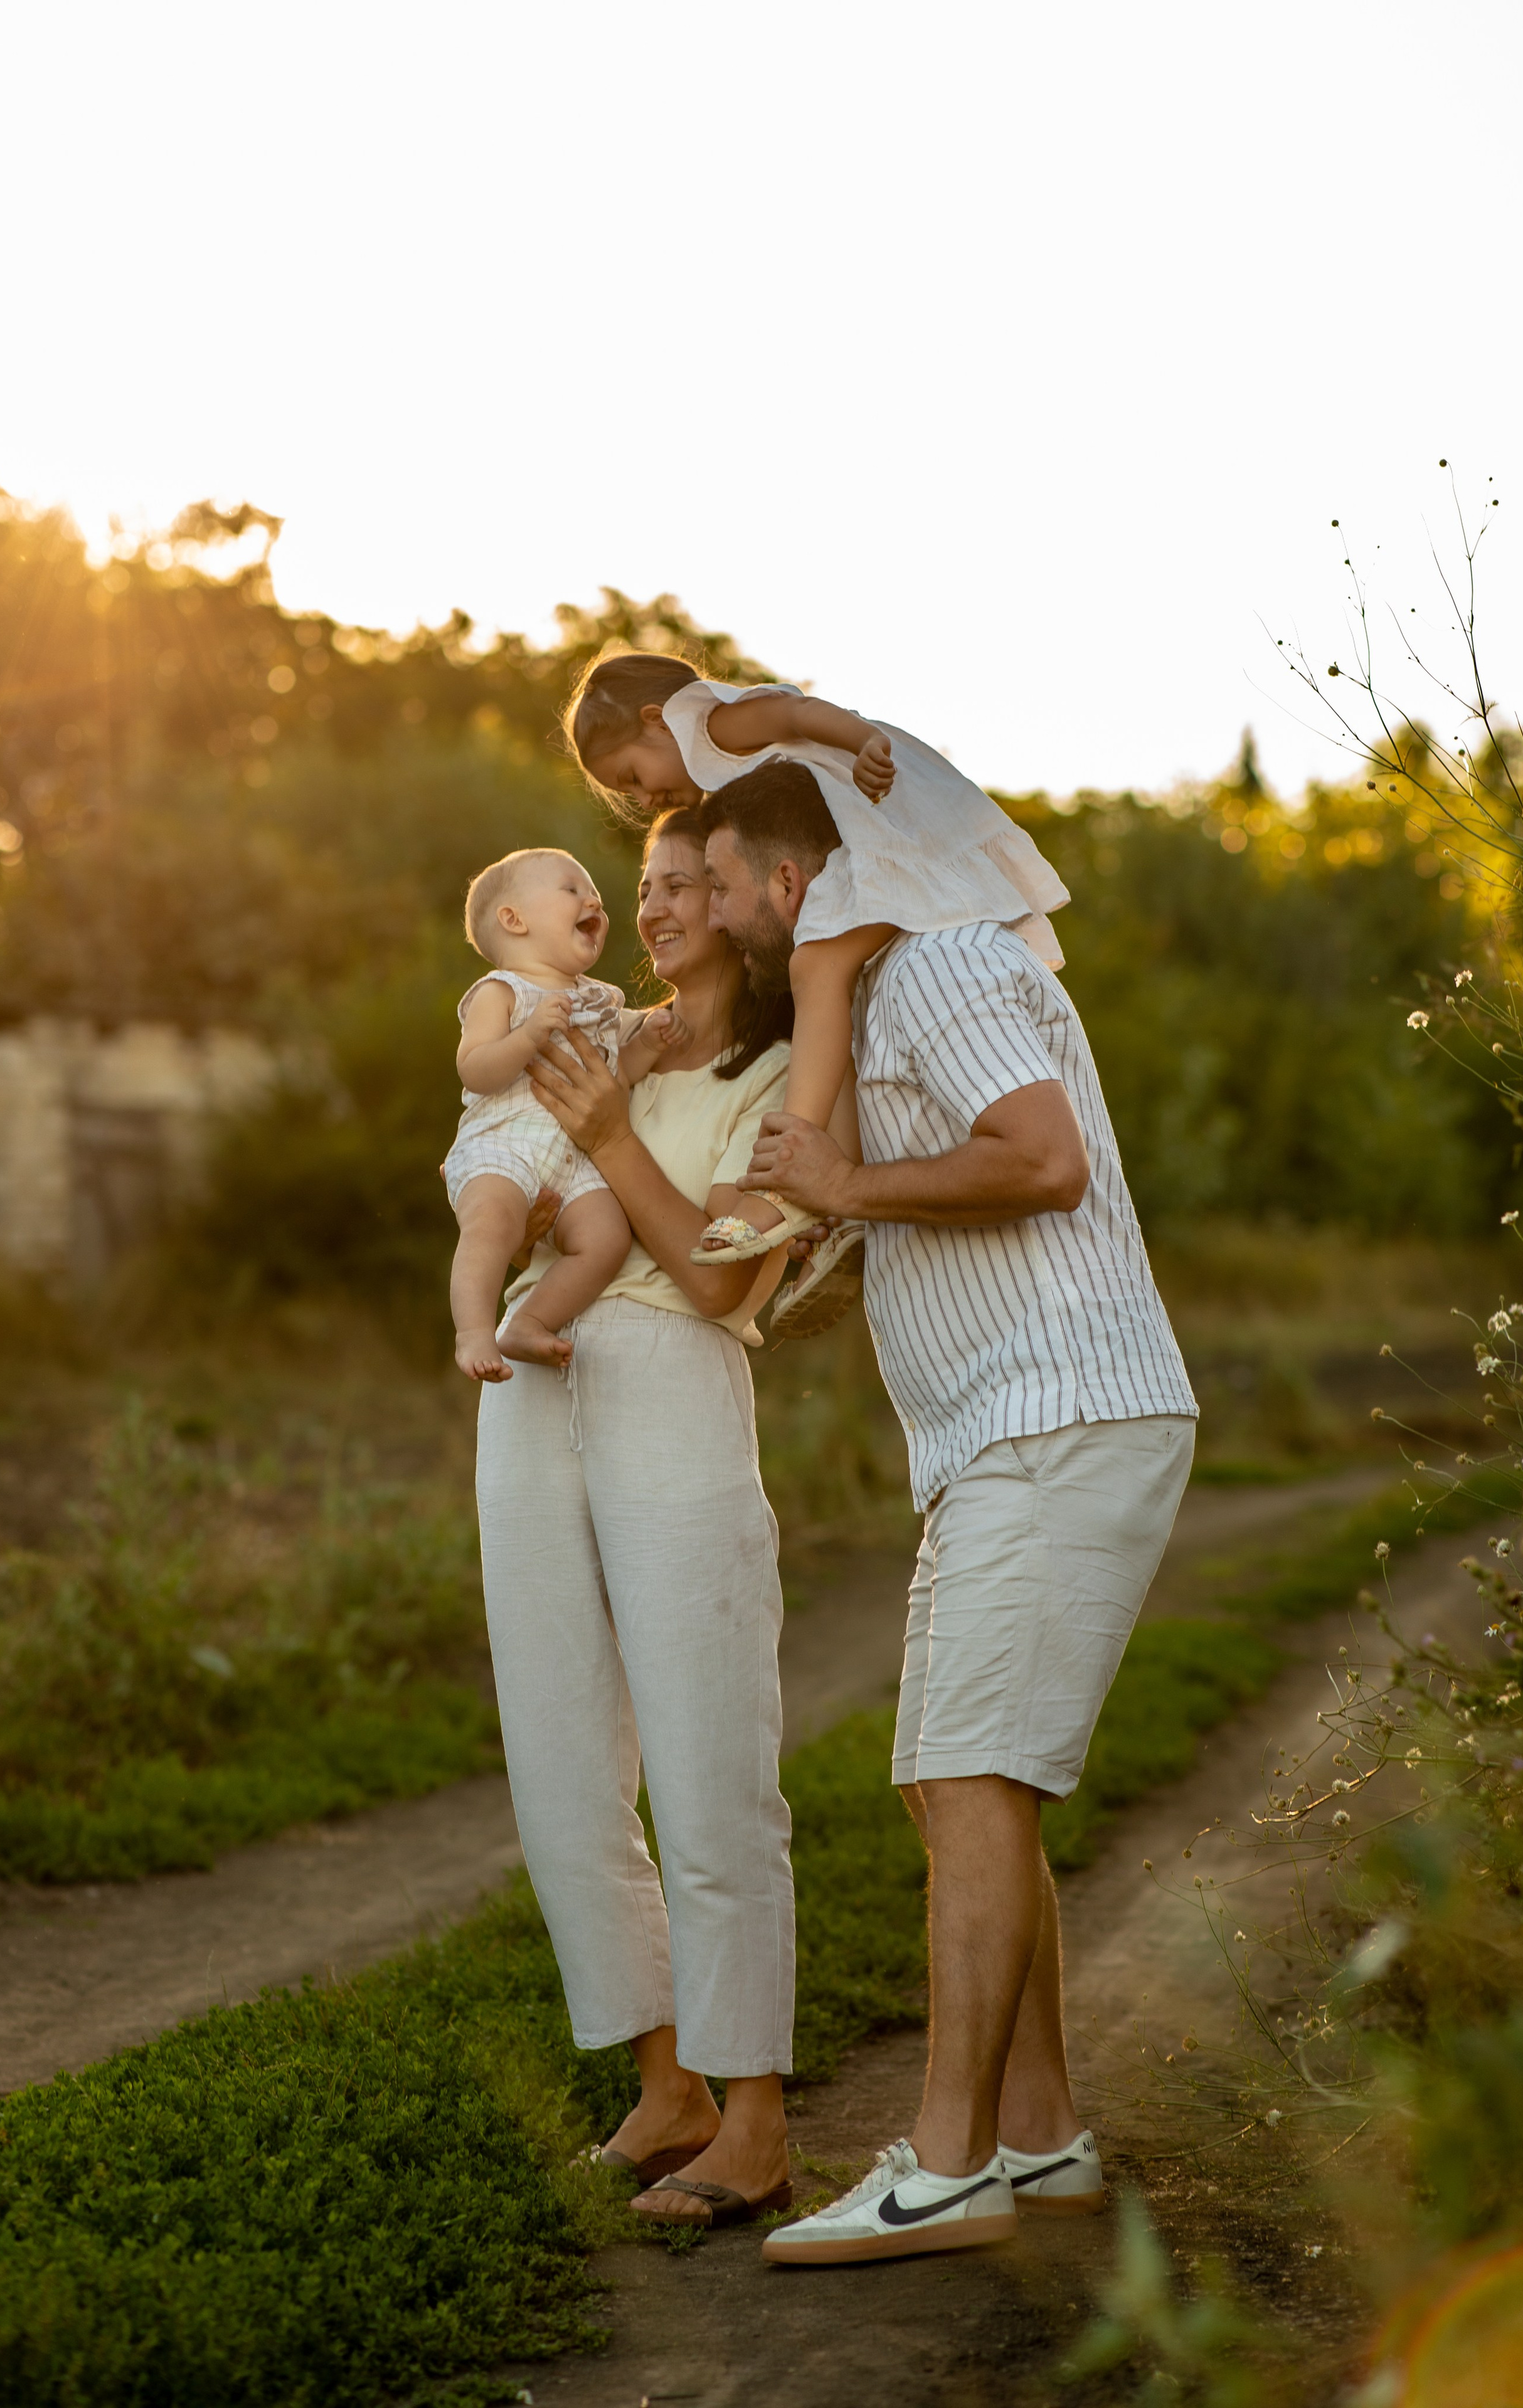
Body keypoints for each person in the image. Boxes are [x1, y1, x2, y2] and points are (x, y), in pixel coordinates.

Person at [690, 758, 1199, 2267]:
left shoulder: (941, 965)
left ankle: (948, 2161)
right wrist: (826, 1204)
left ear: (793, 883)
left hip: (1057, 1411)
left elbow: (1039, 1159)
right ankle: (1036, 2141)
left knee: (974, 1776)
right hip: (998, 1433)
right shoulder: (889, 997)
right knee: (947, 1784)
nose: (715, 918)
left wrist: (843, 1177)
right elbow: (909, 1189)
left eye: (723, 886)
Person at [470, 805, 799, 2231]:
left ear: (740, 901)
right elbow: (505, 1159)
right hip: (537, 1373)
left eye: (685, 884)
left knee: (708, 1750)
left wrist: (606, 1133)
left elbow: (725, 1275)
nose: (654, 905)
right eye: (645, 882)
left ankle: (758, 2118)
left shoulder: (787, 1067)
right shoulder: (595, 1026)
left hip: (673, 1368)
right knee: (558, 1757)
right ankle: (663, 2084)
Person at [563, 653, 1069, 1274]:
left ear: (654, 721)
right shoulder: (718, 776)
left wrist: (863, 743)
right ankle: (836, 1208)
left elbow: (796, 710)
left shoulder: (712, 725)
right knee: (830, 1014)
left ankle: (782, 1183)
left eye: (633, 776)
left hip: (886, 841)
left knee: (815, 975)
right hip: (877, 847)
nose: (642, 798)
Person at [444, 847, 682, 1381]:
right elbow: (474, 1069)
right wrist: (528, 1035)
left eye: (592, 891)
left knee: (607, 1239)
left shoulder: (600, 1001)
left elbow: (612, 1078)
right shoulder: (502, 992)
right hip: (502, 1146)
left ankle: (528, 1322)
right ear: (514, 920)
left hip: (574, 1162)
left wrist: (646, 1046)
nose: (591, 898)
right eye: (571, 889)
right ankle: (475, 1332)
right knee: (491, 1226)